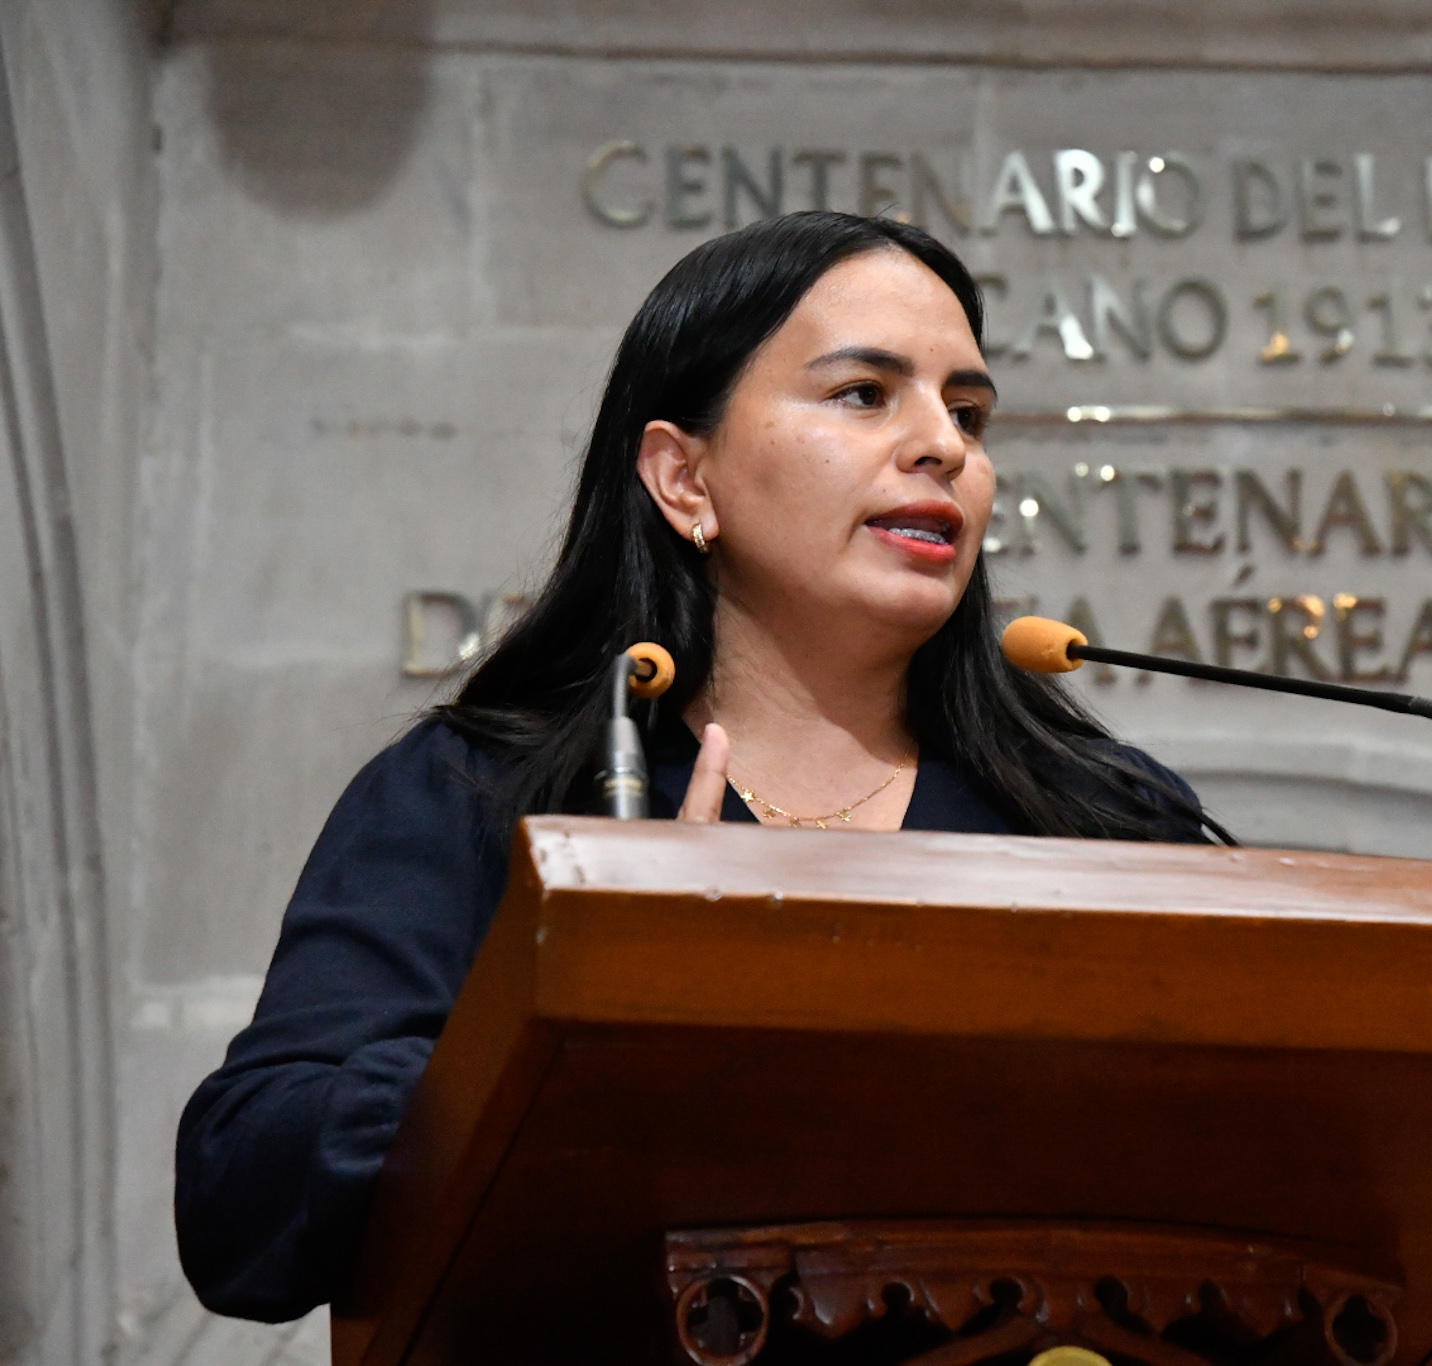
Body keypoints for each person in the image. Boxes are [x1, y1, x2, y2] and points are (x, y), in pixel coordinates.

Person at [174, 211, 1222, 1322]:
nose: (944, 447)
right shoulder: (481, 796)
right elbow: (240, 1198)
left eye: (966, 412)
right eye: (864, 393)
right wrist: (578, 1028)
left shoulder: (1102, 820)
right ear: (682, 477)